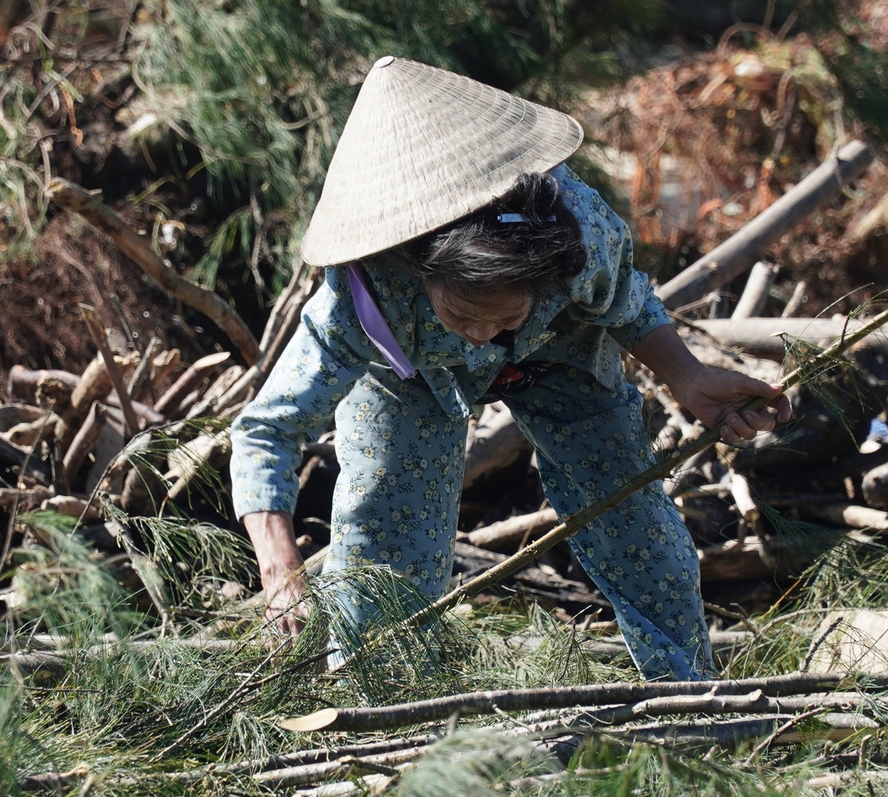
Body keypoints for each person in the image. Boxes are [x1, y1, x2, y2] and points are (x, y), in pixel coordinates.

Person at [229, 56, 789, 680]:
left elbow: (626, 302)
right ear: (418, 270)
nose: (481, 334)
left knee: (634, 523)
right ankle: (381, 712)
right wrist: (281, 569)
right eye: (464, 313)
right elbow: (266, 430)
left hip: (560, 353)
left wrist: (688, 377)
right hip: (408, 377)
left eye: (502, 315)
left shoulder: (579, 236)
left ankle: (688, 692)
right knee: (383, 546)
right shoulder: (362, 303)